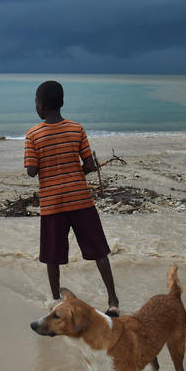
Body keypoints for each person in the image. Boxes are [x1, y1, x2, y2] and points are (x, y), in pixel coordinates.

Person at [24, 80, 120, 317]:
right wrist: (75, 168)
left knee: (52, 257)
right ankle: (113, 300)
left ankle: (56, 301)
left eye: (36, 101)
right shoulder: (77, 129)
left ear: (41, 105)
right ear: (62, 103)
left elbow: (31, 170)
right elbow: (88, 164)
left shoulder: (33, 135)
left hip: (52, 204)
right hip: (81, 201)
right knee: (99, 251)